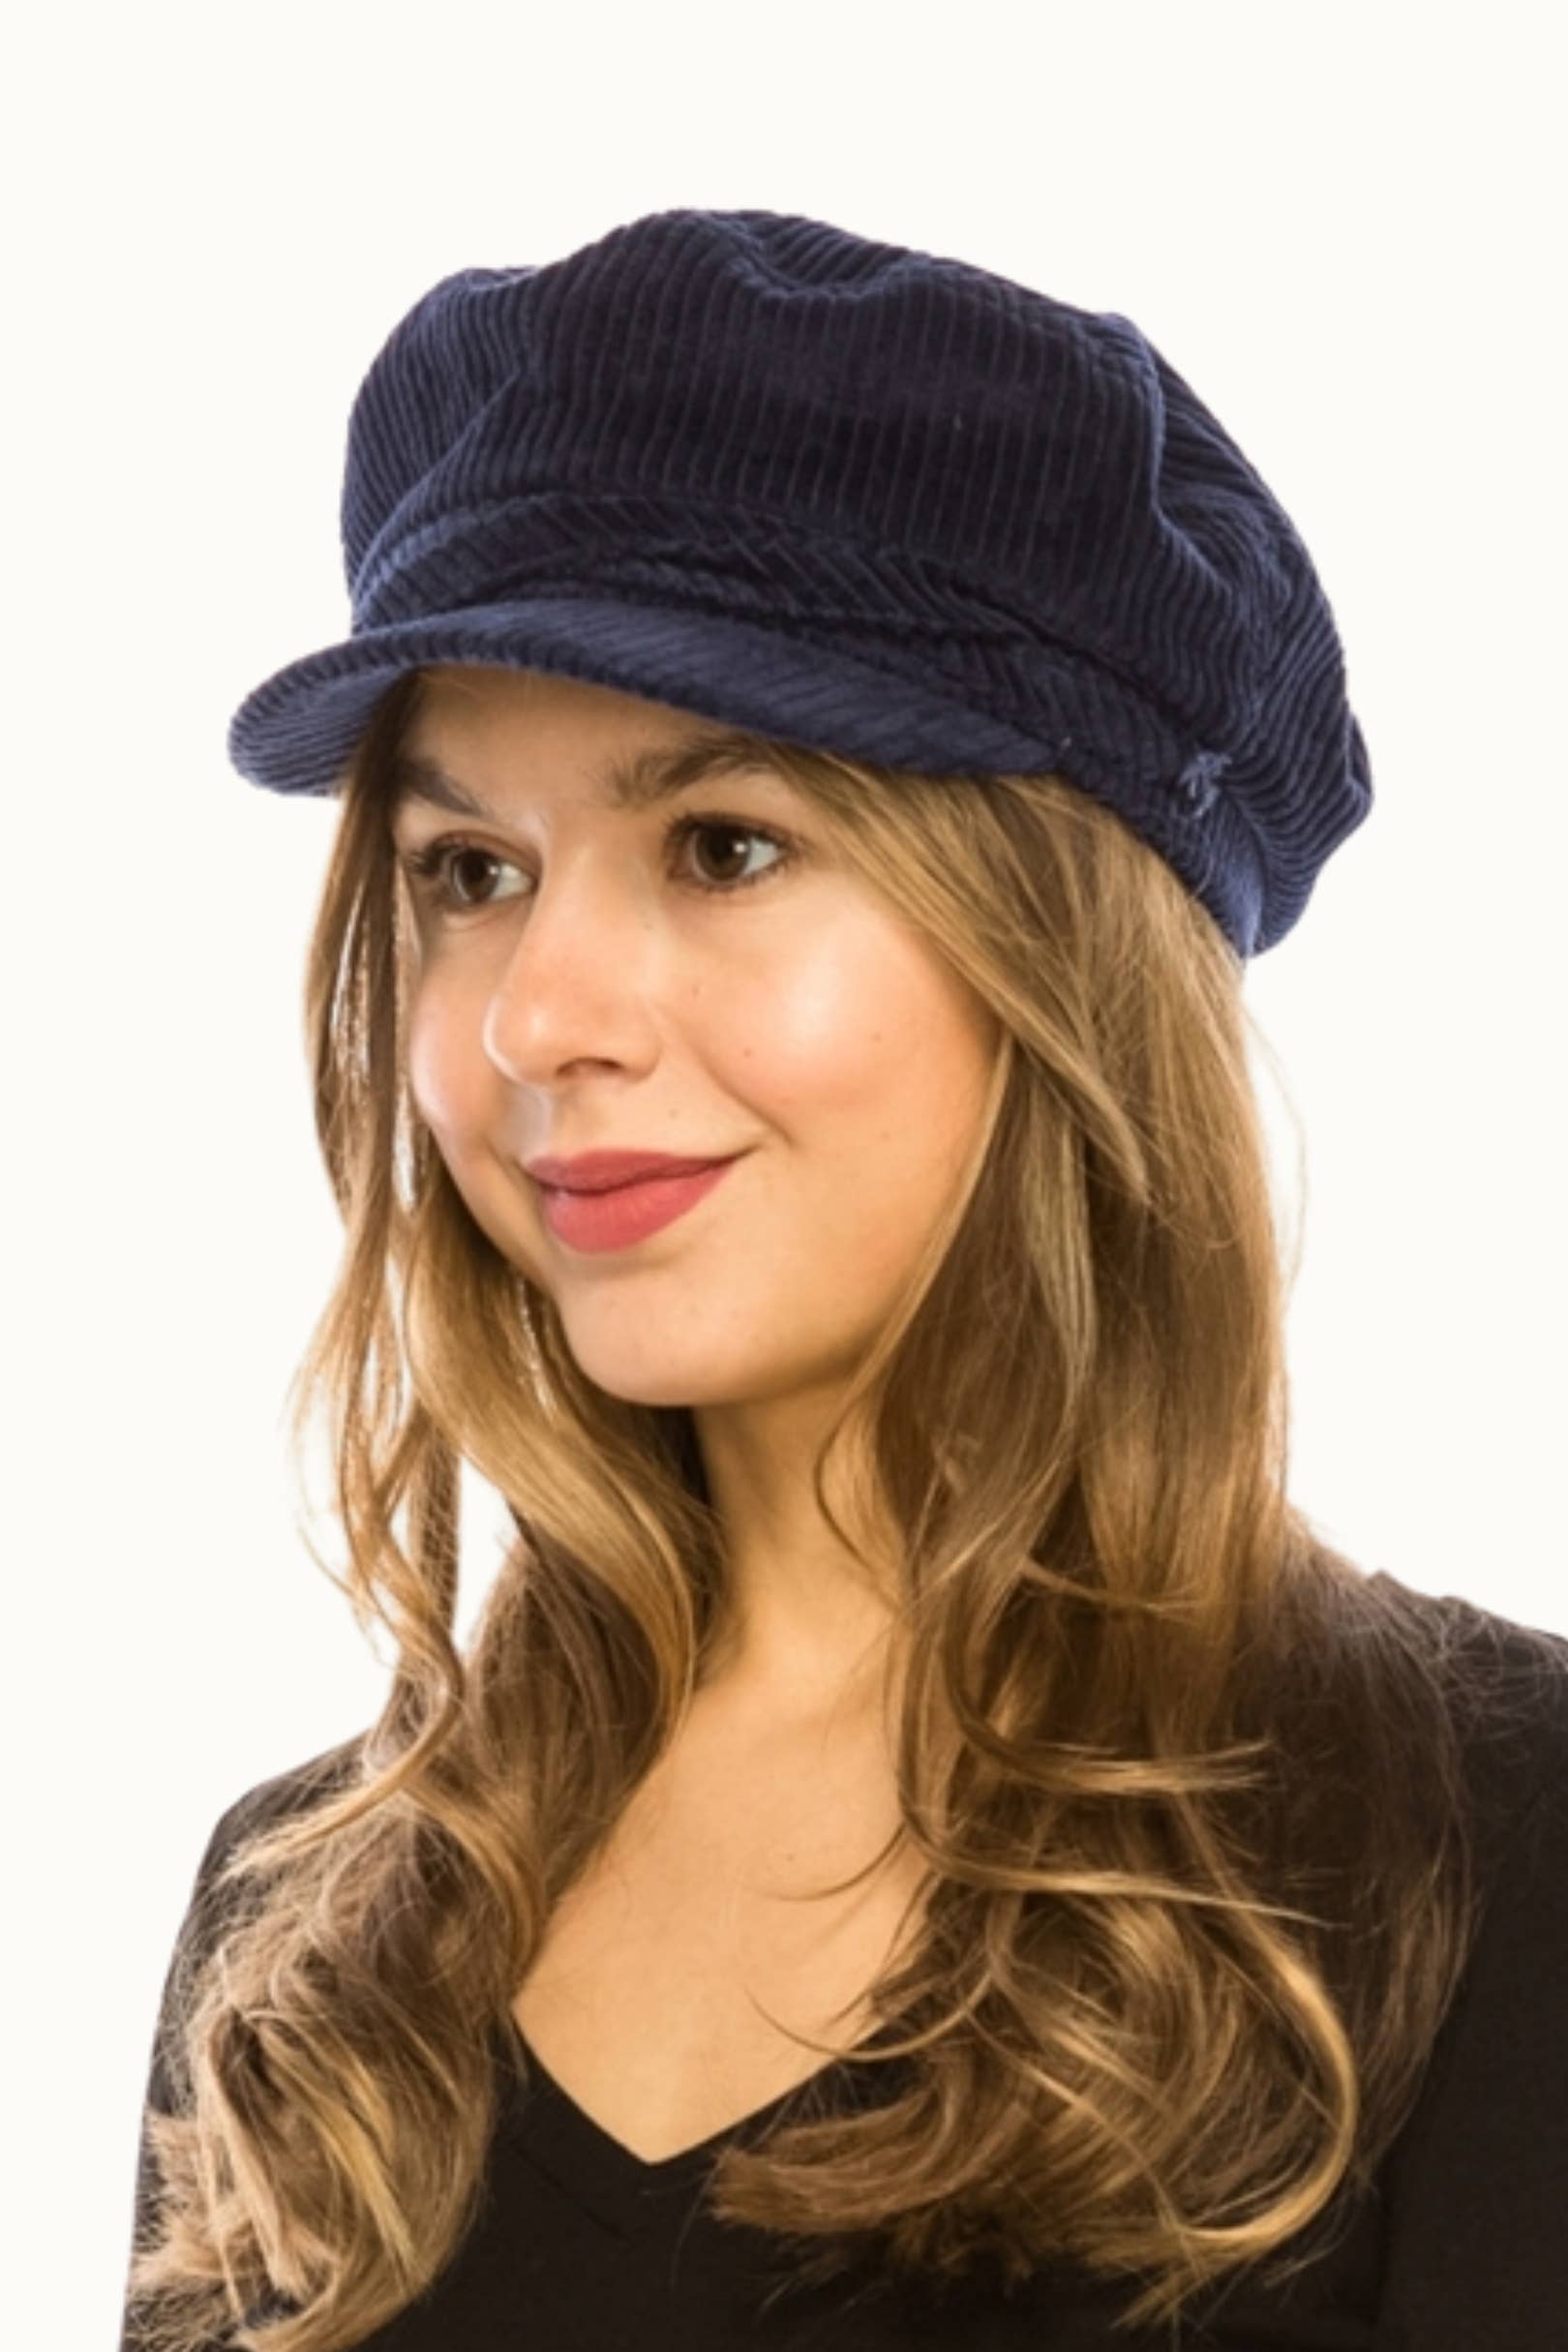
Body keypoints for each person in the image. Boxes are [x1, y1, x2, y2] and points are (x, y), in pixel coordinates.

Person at [119, 208, 1568, 2352]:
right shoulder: (314, 1944)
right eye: (469, 870)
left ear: (1063, 953)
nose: (537, 1016)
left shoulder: (1496, 1854)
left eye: (725, 846)